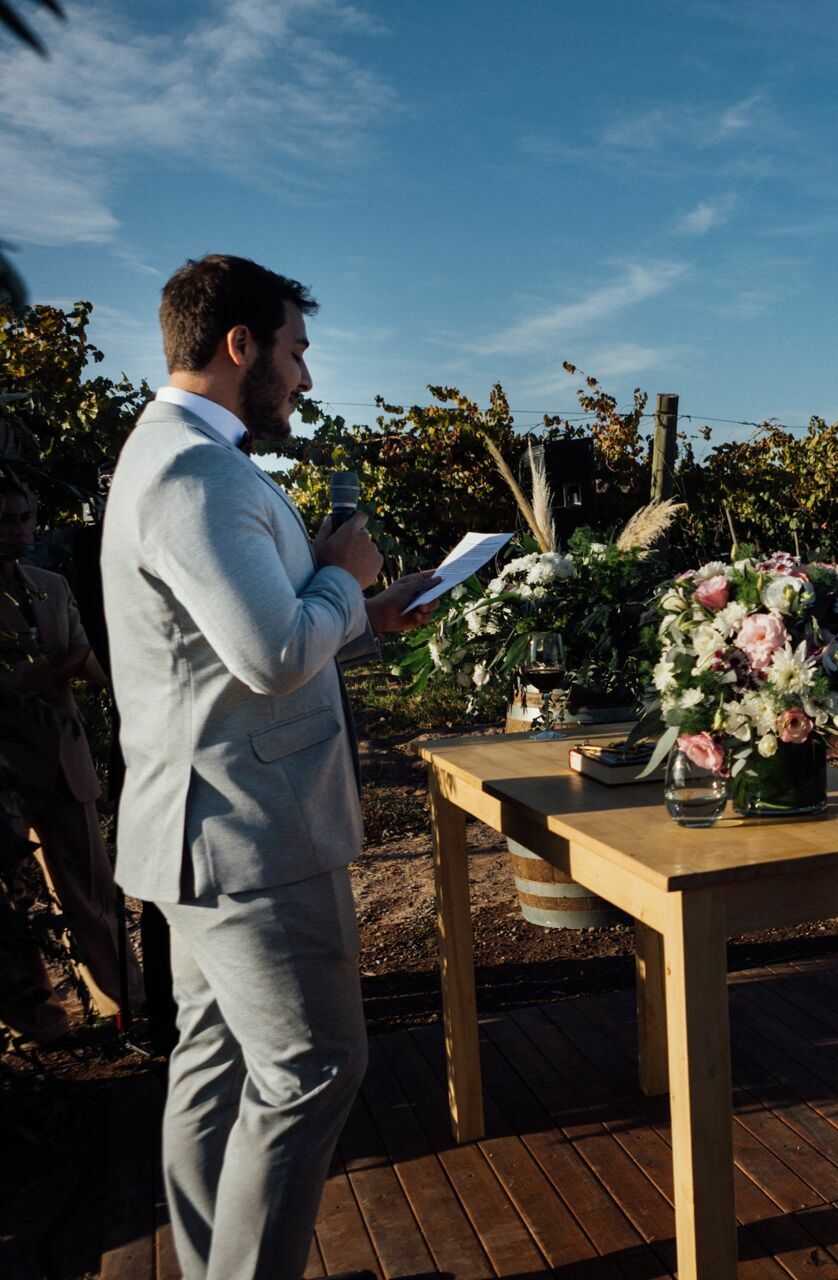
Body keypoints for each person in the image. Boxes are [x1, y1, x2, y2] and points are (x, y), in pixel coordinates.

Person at [103, 255, 440, 1280]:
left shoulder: (175, 459)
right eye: (294, 350)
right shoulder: (193, 474)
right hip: (253, 835)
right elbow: (275, 652)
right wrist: (345, 575)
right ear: (239, 345)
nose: (304, 374)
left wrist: (372, 611)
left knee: (212, 1067)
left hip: (206, 835)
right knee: (312, 1069)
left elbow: (246, 648)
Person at [0, 476, 141, 1042]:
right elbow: (38, 674)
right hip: (7, 768)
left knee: (90, 886)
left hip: (64, 759)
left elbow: (93, 663)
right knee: (10, 905)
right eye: (7, 519)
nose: (20, 530)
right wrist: (58, 668)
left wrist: (63, 667)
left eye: (27, 517)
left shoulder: (51, 586)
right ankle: (40, 1023)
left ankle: (123, 1000)